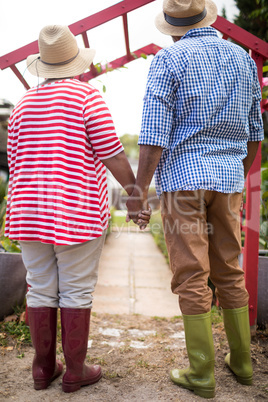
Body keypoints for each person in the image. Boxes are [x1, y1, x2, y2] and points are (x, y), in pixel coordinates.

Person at [126, 0, 264, 398]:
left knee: (191, 272)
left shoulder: (169, 60)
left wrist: (138, 193)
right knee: (229, 268)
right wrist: (235, 173)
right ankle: (242, 364)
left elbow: (153, 136)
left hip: (184, 180)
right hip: (227, 179)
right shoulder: (241, 58)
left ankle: (201, 374)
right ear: (208, 19)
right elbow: (255, 131)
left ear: (171, 27)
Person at [6, 25, 150, 393]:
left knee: (39, 287)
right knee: (76, 290)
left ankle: (42, 369)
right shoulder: (86, 97)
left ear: (43, 64)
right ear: (76, 62)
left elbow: (15, 159)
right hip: (76, 213)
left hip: (27, 214)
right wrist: (135, 196)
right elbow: (112, 153)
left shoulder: (22, 104)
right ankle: (75, 370)